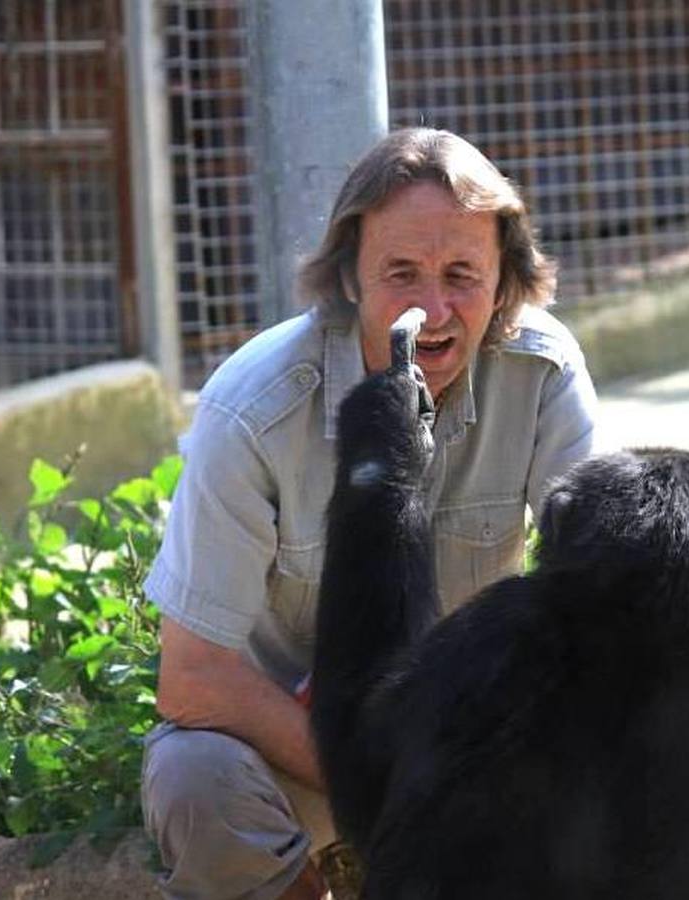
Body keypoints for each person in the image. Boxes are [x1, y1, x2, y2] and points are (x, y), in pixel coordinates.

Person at [139, 128, 598, 900]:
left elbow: (598, 597)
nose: (433, 308)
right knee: (193, 777)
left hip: (473, 746)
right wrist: (393, 792)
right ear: (349, 277)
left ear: (505, 282)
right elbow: (191, 679)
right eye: (402, 274)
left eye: (462, 275)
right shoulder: (253, 408)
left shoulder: (543, 371)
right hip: (300, 742)